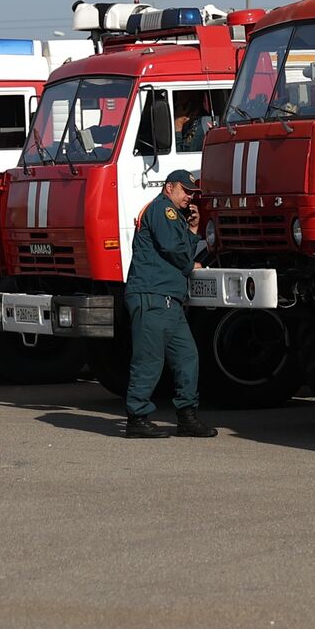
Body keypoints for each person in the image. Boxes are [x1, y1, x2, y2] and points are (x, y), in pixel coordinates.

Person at [122, 169, 216, 438]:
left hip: (168, 300)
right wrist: (191, 264)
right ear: (169, 187)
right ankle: (137, 418)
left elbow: (176, 246)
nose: (189, 196)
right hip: (153, 296)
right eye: (185, 190)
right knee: (149, 360)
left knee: (187, 357)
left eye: (191, 192)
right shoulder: (164, 210)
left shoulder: (172, 215)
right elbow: (174, 251)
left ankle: (187, 416)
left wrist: (193, 230)